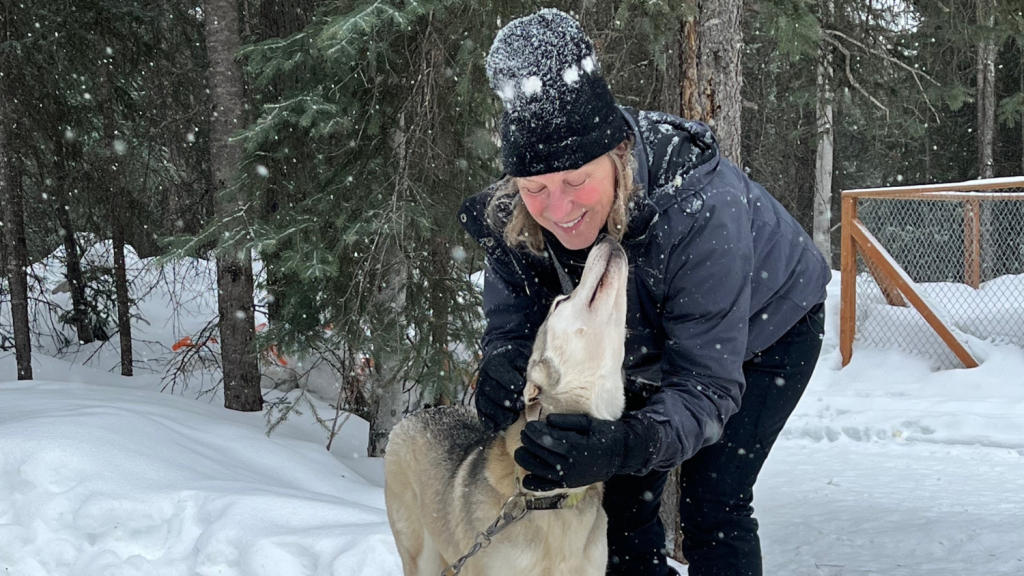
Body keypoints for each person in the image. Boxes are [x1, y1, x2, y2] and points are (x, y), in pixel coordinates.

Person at [458, 9, 830, 576]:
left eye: (577, 181)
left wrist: (625, 444)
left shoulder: (700, 211)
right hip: (638, 335)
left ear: (618, 157)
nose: (559, 211)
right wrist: (506, 363)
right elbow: (512, 322)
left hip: (767, 331)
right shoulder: (515, 216)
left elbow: (705, 386)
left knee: (714, 506)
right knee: (624, 508)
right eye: (537, 188)